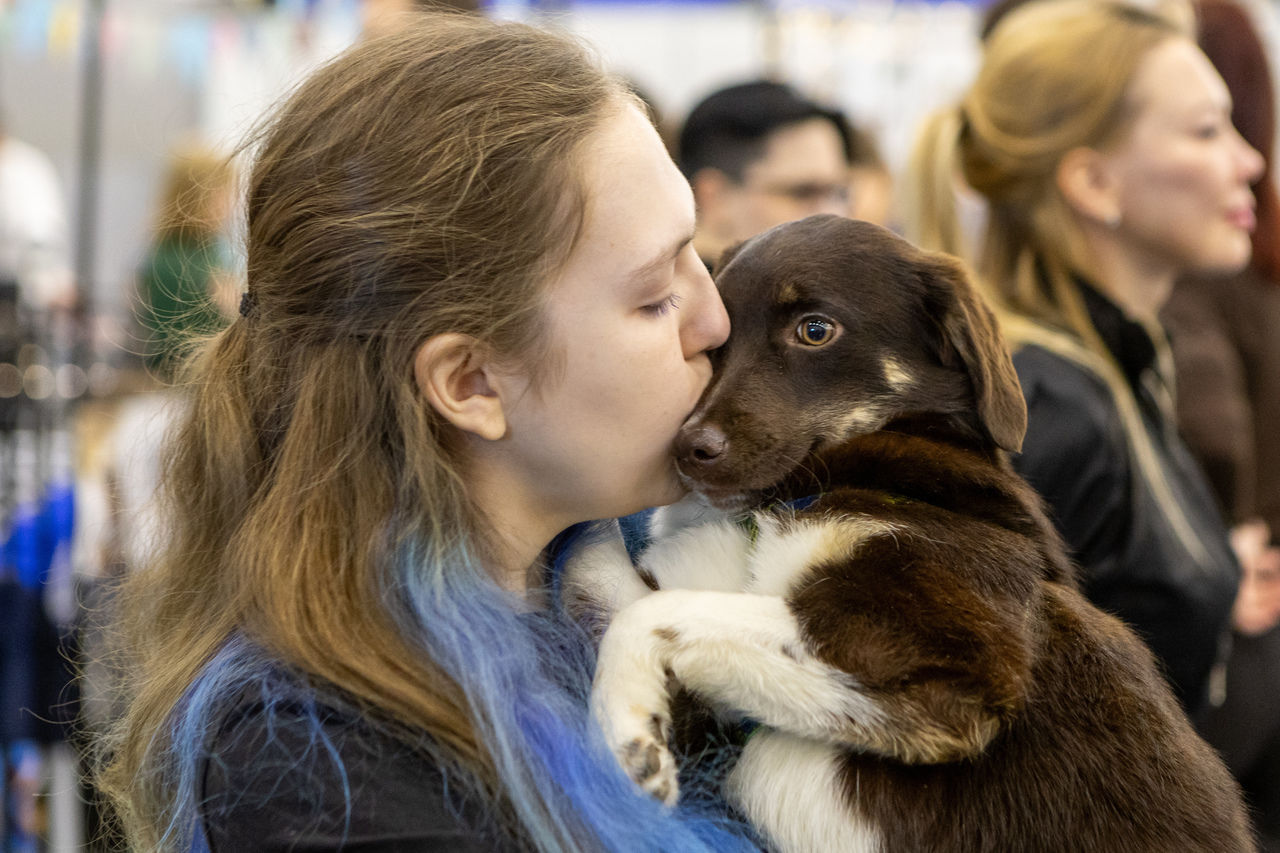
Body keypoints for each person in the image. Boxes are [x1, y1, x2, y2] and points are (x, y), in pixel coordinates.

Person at [93, 16, 760, 853]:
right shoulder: (321, 769)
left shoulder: (611, 600)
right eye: (656, 296)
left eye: (700, 253)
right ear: (471, 383)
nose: (717, 318)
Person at [906, 0, 1280, 742]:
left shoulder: (1115, 362)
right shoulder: (1049, 410)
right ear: (1094, 183)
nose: (1250, 161)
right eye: (1207, 132)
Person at [1156, 0, 1280, 846]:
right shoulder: (1249, 257)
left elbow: (1216, 435)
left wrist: (1215, 535)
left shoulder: (1194, 273)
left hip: (1232, 671)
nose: (1241, 159)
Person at [676, 80, 853, 267]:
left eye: (840, 193)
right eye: (802, 193)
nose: (834, 215)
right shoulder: (672, 292)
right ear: (714, 198)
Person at [135, 143, 238, 382]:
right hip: (187, 382)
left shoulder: (210, 250)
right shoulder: (175, 260)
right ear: (197, 195)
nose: (230, 204)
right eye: (222, 192)